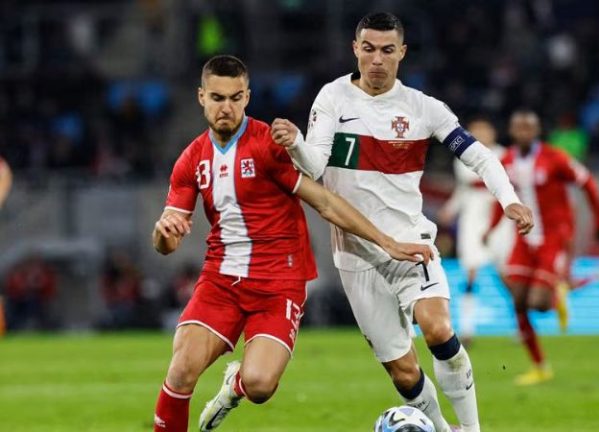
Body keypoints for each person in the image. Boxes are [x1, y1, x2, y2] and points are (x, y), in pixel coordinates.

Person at [271, 13, 533, 432]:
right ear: (355, 49)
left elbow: (480, 156)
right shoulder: (333, 97)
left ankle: (472, 429)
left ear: (402, 53)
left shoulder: (423, 108)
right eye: (369, 49)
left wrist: (510, 201)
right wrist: (296, 144)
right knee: (404, 372)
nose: (377, 59)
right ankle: (443, 430)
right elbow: (315, 166)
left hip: (412, 244)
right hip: (356, 255)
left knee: (437, 328)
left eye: (387, 50)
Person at [151, 55, 433, 432]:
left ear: (247, 97)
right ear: (201, 97)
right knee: (181, 369)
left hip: (278, 284)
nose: (226, 107)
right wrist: (162, 232)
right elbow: (166, 243)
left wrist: (388, 242)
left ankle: (236, 385)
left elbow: (325, 201)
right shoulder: (191, 160)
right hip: (220, 281)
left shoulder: (268, 144)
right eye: (217, 98)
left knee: (259, 385)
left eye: (235, 98)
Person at [489, 110, 599, 386]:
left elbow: (588, 183)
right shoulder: (505, 161)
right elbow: (500, 198)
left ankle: (556, 295)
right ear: (511, 130)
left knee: (538, 304)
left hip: (554, 238)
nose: (523, 132)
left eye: (528, 127)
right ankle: (540, 367)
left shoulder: (555, 158)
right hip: (523, 239)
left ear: (537, 131)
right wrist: (491, 227)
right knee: (518, 300)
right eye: (518, 127)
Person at [437, 117, 510, 348]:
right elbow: (463, 191)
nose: (481, 134)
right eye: (476, 131)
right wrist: (450, 209)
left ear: (493, 133)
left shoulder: (504, 155)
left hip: (499, 220)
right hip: (472, 220)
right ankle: (467, 329)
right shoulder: (462, 158)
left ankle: (522, 324)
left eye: (484, 130)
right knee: (470, 272)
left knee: (506, 274)